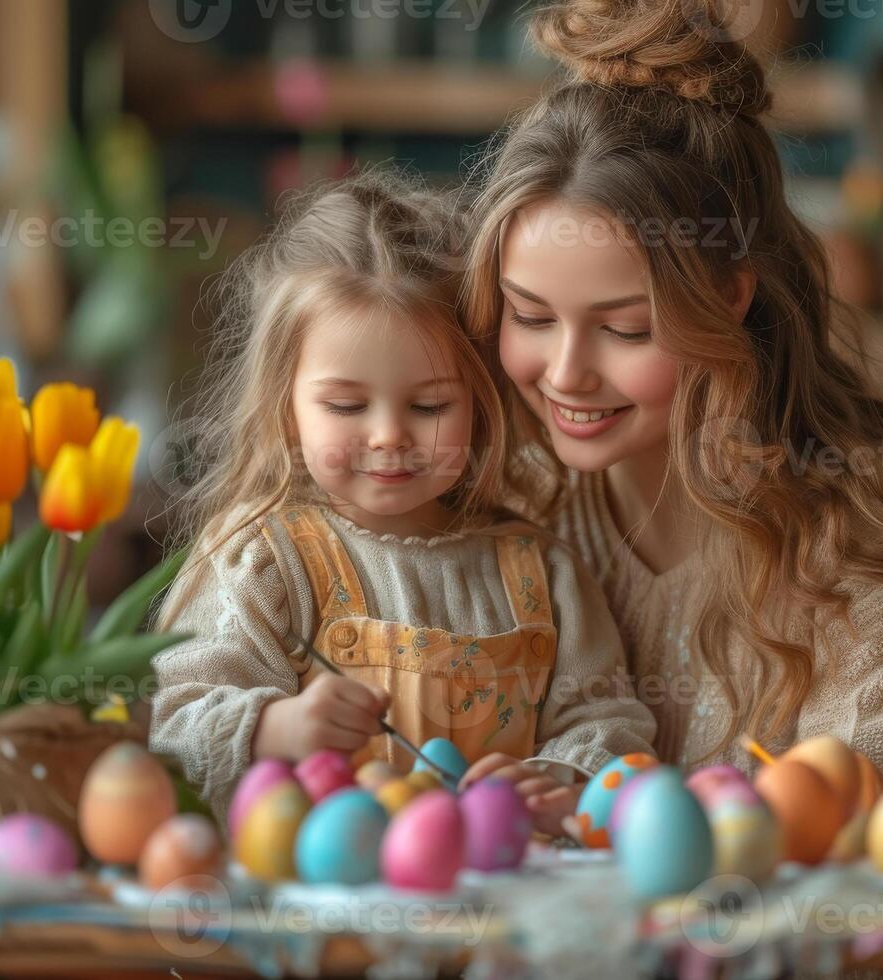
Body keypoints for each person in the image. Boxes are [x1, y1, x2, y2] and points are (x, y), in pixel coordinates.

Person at [461, 0, 883, 800]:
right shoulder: (501, 504)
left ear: (729, 298)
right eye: (530, 316)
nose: (566, 373)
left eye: (626, 330)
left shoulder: (849, 532)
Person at [149, 172, 656, 830]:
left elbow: (610, 726)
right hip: (323, 915)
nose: (389, 435)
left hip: (494, 909)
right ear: (284, 406)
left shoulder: (539, 571)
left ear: (481, 401)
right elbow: (168, 732)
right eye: (346, 405)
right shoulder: (261, 561)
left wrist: (554, 780)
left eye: (428, 405)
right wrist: (276, 727)